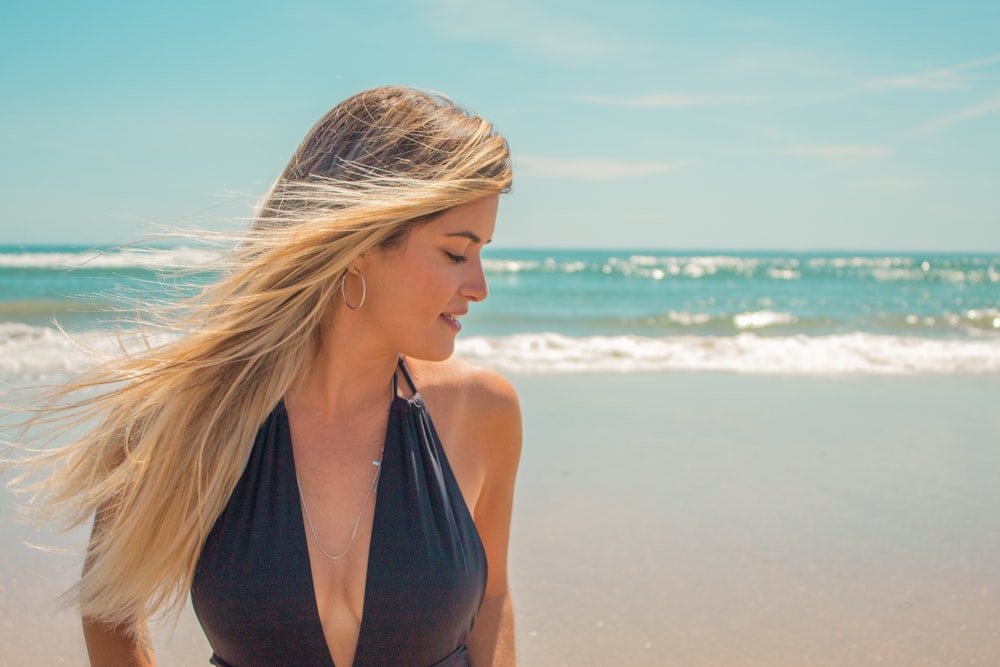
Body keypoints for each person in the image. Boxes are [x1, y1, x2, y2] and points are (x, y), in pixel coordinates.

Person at [13, 86, 521, 666]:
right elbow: (109, 607)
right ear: (356, 244)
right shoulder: (187, 414)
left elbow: (494, 597)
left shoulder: (482, 411)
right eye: (457, 252)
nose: (479, 285)